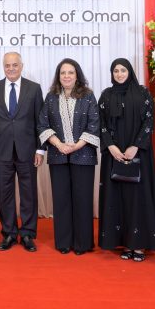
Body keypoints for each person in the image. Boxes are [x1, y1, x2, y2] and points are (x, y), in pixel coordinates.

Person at [98, 58, 155, 261]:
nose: (119, 74)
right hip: (114, 155)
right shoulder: (106, 95)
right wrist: (111, 146)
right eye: (116, 71)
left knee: (138, 198)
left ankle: (139, 245)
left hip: (139, 154)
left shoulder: (143, 93)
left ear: (130, 72)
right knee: (117, 199)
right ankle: (124, 243)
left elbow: (149, 121)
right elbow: (100, 123)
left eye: (123, 70)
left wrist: (136, 146)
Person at [37, 58, 99, 255]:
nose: (66, 76)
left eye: (70, 72)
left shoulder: (88, 96)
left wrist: (77, 145)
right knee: (61, 200)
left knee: (82, 199)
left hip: (84, 155)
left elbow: (94, 124)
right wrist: (59, 144)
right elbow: (42, 125)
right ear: (58, 76)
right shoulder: (51, 97)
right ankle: (63, 242)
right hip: (58, 155)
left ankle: (82, 244)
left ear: (77, 75)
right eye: (63, 73)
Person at [0, 52, 44, 252]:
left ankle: (28, 233)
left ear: (22, 66)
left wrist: (40, 149)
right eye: (7, 65)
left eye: (14, 65)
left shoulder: (34, 88)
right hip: (1, 151)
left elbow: (40, 121)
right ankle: (9, 233)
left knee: (29, 194)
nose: (11, 69)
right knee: (4, 194)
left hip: (28, 150)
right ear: (3, 66)